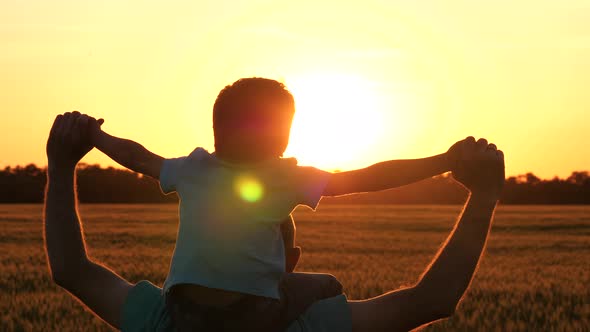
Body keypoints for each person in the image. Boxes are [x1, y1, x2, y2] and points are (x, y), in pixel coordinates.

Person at [44, 111, 504, 331]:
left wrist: (62, 163)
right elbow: (431, 300)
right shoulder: (311, 326)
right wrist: (483, 196)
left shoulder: (164, 320)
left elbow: (71, 269)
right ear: (292, 260)